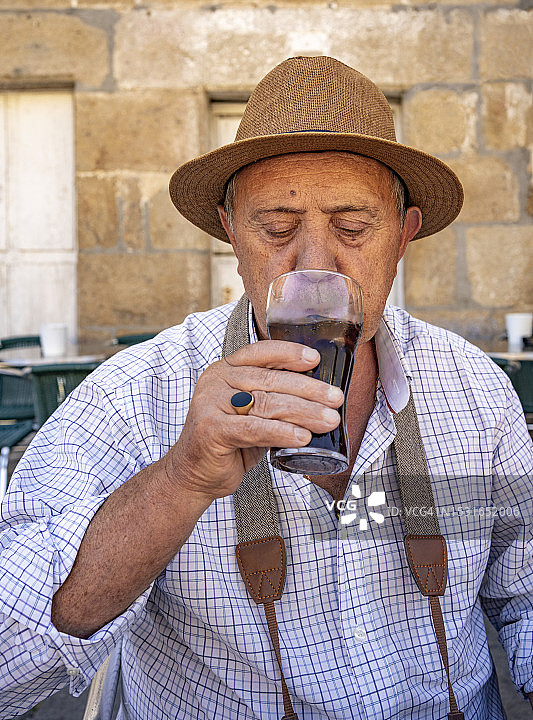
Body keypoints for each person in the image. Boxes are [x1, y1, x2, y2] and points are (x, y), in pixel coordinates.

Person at [0, 56, 532, 720]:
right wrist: (181, 478)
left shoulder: (476, 390)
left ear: (403, 235)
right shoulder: (132, 397)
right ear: (230, 232)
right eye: (275, 230)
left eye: (352, 229)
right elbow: (9, 664)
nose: (313, 266)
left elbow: (524, 589)